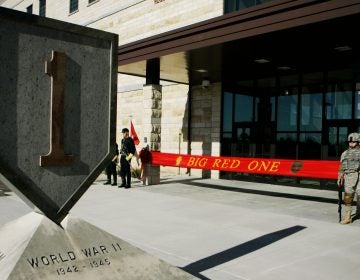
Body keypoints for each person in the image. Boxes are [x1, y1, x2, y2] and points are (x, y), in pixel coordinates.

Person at [337, 132, 360, 224]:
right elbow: (341, 166)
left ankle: (359, 212)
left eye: (354, 142)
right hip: (349, 177)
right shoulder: (345, 153)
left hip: (359, 176)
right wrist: (339, 176)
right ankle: (348, 217)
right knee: (348, 197)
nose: (351, 144)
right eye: (350, 142)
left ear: (358, 142)